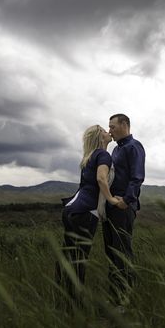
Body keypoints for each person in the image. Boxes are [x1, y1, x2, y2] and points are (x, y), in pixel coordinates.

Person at [56, 125, 120, 303]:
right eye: (104, 130)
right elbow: (101, 178)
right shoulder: (103, 155)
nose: (108, 132)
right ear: (100, 137)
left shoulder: (89, 156)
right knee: (79, 258)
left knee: (68, 256)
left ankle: (61, 298)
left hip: (72, 209)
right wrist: (112, 199)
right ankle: (73, 303)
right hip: (85, 211)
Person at [104, 113, 145, 307]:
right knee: (111, 252)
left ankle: (123, 301)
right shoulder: (116, 149)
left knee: (122, 253)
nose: (110, 130)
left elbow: (137, 177)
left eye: (112, 126)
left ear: (124, 125)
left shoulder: (134, 146)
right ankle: (114, 297)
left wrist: (126, 201)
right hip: (111, 206)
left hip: (123, 207)